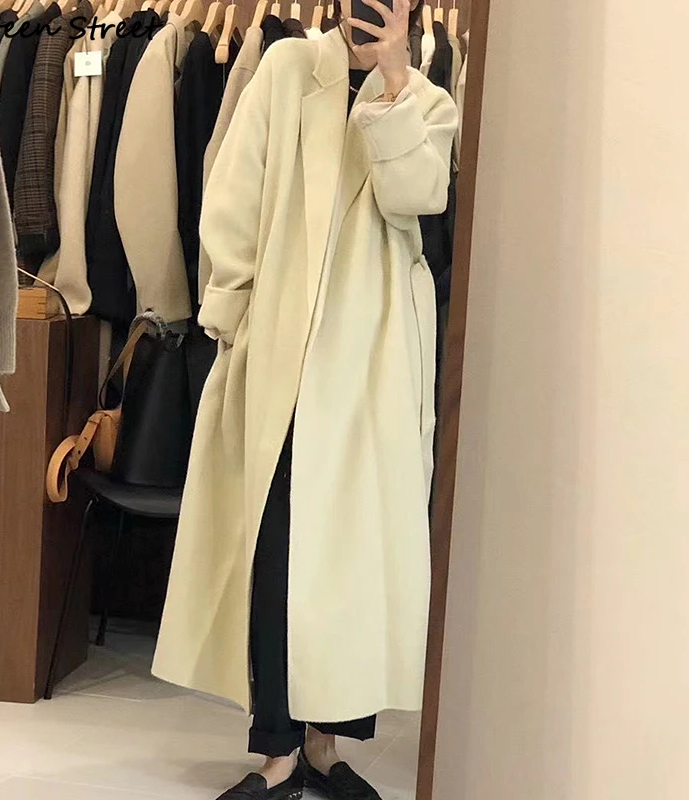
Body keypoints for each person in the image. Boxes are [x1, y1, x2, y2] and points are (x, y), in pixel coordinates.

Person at [151, 0, 458, 798]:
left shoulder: (427, 100)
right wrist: (231, 317)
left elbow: (418, 196)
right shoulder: (288, 70)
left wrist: (394, 81)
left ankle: (327, 745)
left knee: (350, 560)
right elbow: (233, 197)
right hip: (280, 351)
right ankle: (278, 753)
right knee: (279, 548)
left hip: (371, 363)